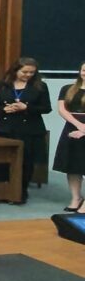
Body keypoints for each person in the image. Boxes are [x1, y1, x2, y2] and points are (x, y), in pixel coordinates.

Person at [0, 57, 52, 203]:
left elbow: (46, 108)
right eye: (25, 72)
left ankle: (21, 192)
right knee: (2, 160)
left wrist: (27, 108)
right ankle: (2, 190)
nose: (28, 75)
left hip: (29, 129)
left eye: (31, 72)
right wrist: (3, 109)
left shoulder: (40, 86)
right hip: (4, 128)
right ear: (16, 70)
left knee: (26, 162)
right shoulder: (1, 85)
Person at [54, 61, 85, 213]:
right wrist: (78, 125)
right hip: (72, 127)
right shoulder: (67, 89)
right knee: (73, 166)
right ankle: (75, 198)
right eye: (84, 70)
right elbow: (62, 110)